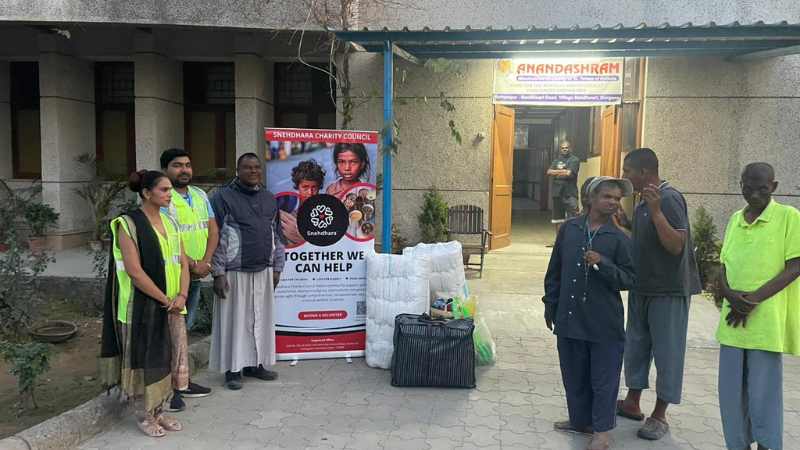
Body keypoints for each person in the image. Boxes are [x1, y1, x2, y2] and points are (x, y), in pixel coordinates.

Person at [543, 177, 636, 450]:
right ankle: (579, 420)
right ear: (589, 199)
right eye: (607, 196)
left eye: (617, 198)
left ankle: (602, 431)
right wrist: (551, 304)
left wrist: (603, 263)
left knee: (603, 378)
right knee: (574, 373)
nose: (613, 202)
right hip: (570, 317)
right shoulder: (569, 229)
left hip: (604, 322)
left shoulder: (619, 238)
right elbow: (555, 271)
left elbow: (630, 279)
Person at [617, 148, 701, 441]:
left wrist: (655, 213)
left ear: (644, 172)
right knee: (636, 346)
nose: (624, 176)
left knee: (667, 352)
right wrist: (623, 224)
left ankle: (660, 414)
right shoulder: (642, 201)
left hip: (668, 290)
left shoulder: (668, 198)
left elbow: (676, 244)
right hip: (642, 286)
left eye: (628, 171)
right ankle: (632, 402)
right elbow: (644, 241)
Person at [716, 163, 800, 450]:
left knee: (763, 394)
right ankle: (737, 444)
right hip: (733, 321)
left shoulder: (788, 217)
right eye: (748, 188)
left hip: (765, 323)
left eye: (762, 188)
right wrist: (730, 297)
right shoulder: (735, 219)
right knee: (730, 394)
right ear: (740, 185)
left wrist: (752, 300)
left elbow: (795, 266)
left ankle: (767, 444)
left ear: (774, 187)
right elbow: (722, 266)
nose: (754, 194)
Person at [99, 170, 189, 437]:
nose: (169, 194)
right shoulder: (127, 225)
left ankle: (159, 411)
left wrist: (181, 296)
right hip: (142, 305)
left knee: (167, 357)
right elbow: (134, 272)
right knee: (145, 358)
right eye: (163, 190)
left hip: (173, 303)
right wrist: (165, 300)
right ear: (146, 193)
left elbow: (182, 262)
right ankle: (143, 414)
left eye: (170, 190)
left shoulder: (170, 222)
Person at [210, 153, 285, 390]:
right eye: (247, 167)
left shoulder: (269, 198)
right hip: (234, 271)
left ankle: (256, 364)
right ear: (237, 170)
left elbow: (277, 236)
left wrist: (277, 268)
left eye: (256, 167)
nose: (253, 171)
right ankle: (233, 370)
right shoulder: (222, 198)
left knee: (260, 319)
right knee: (235, 322)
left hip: (263, 269)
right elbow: (215, 237)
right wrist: (218, 273)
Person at [279, 159, 326, 246]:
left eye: (314, 187)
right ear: (298, 187)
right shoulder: (290, 216)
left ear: (319, 187)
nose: (310, 192)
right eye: (305, 187)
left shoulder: (326, 213)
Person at [547, 140, 581, 235]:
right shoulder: (556, 160)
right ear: (560, 149)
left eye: (566, 147)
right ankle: (559, 241)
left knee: (573, 218)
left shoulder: (575, 160)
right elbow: (549, 172)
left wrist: (557, 172)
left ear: (570, 148)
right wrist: (564, 172)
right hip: (557, 193)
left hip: (570, 194)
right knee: (558, 219)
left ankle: (572, 240)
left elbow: (569, 173)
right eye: (562, 148)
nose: (564, 149)